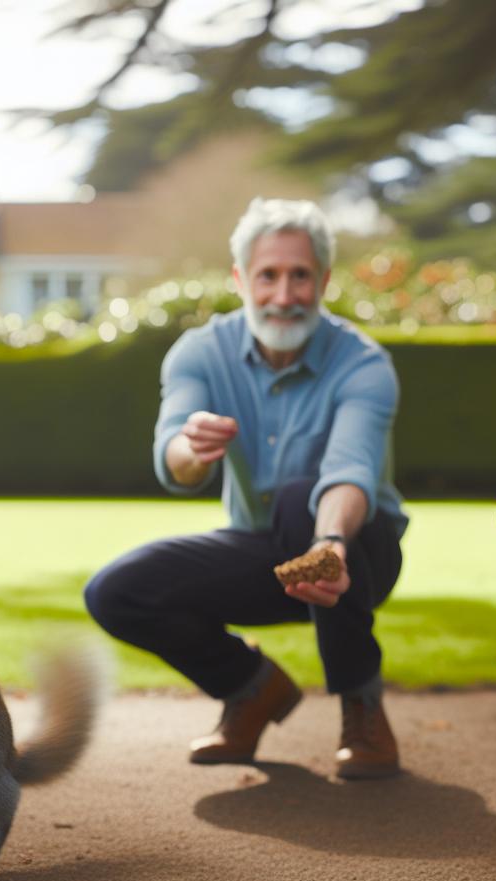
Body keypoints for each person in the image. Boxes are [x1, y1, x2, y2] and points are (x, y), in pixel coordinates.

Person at [84, 198, 407, 781]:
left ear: (324, 281)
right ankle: (251, 688)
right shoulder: (199, 354)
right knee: (114, 592)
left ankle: (362, 705)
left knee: (295, 496)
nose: (284, 295)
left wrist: (330, 543)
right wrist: (191, 447)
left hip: (359, 550)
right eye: (269, 275)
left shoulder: (364, 364)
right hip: (262, 551)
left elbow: (351, 469)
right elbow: (173, 457)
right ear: (240, 280)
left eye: (300, 275)